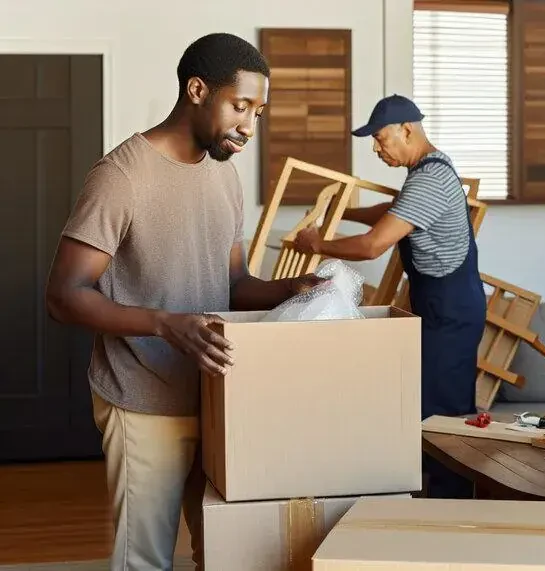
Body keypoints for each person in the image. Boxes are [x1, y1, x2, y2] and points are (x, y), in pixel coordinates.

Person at [44, 33, 323, 570]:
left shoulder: (225, 175)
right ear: (197, 91)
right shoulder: (120, 176)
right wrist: (165, 324)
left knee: (222, 554)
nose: (249, 126)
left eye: (258, 112)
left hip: (218, 395)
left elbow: (234, 283)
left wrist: (291, 288)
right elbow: (63, 296)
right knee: (145, 560)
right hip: (142, 396)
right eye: (240, 106)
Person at [293, 94, 487, 421]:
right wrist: (341, 213)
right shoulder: (428, 168)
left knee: (441, 415)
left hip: (451, 310)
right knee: (428, 406)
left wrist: (317, 244)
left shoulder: (430, 178)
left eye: (380, 138)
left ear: (406, 130)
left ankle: (442, 459)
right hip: (441, 304)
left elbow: (372, 246)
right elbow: (392, 211)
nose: (375, 148)